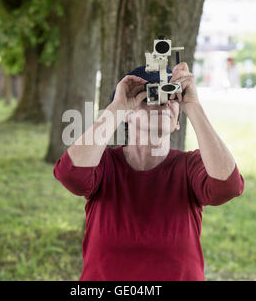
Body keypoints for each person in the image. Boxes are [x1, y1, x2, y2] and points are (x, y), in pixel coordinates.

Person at [53, 62, 245, 281]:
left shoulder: (189, 167)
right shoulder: (104, 165)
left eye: (171, 97)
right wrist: (117, 108)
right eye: (150, 96)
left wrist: (193, 106)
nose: (163, 103)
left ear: (177, 123)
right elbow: (71, 175)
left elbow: (228, 186)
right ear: (126, 114)